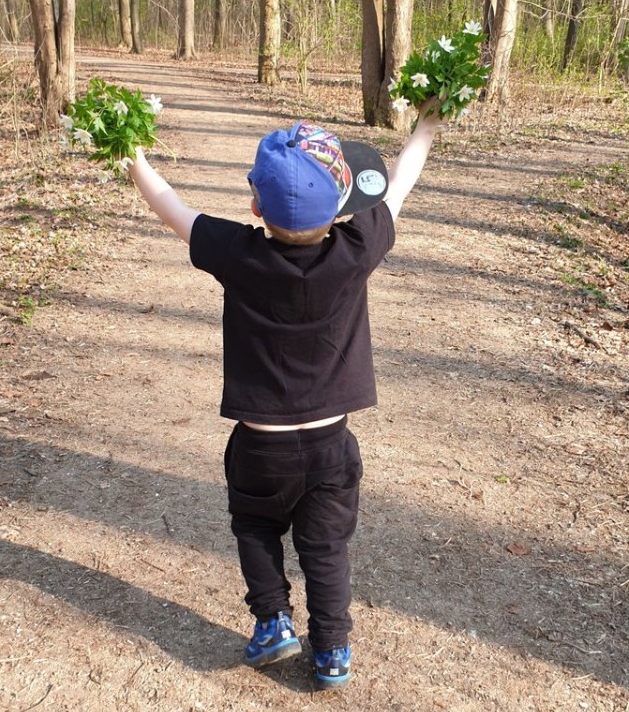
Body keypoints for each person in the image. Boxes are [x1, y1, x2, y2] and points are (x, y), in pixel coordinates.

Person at [128, 102, 442, 689]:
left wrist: (134, 157)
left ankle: (272, 621)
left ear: (255, 206)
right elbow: (400, 183)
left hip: (260, 446)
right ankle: (332, 652)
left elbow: (170, 205)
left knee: (254, 528)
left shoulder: (237, 253)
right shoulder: (357, 249)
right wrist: (425, 126)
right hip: (329, 445)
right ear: (343, 204)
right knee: (326, 550)